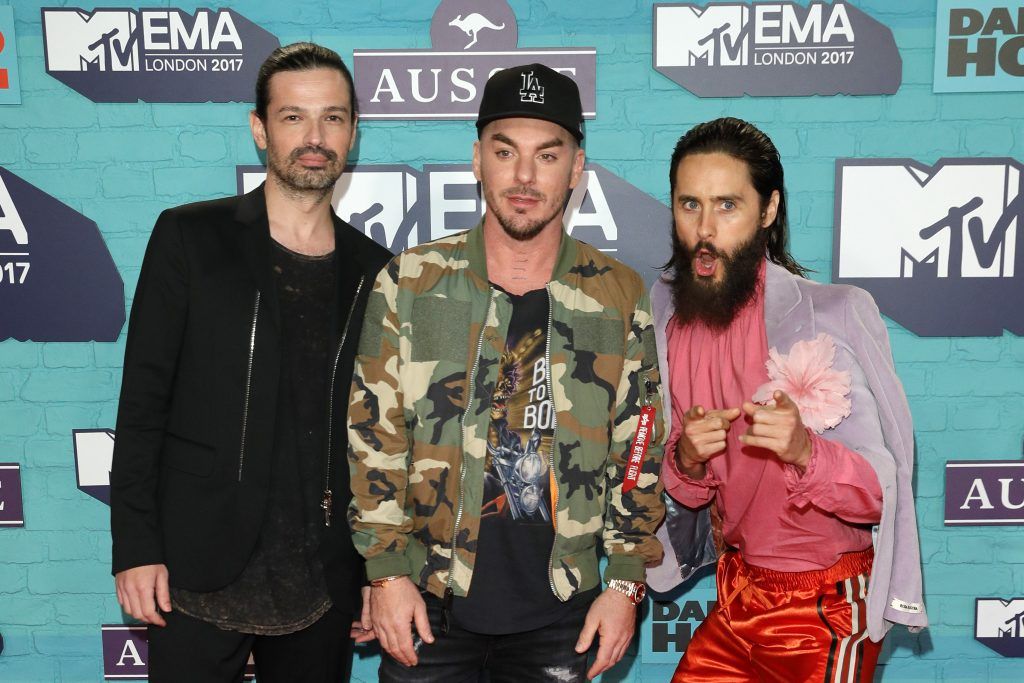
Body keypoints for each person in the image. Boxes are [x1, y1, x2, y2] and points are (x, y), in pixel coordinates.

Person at [347, 63, 666, 682]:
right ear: (477, 159)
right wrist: (385, 573)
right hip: (427, 605)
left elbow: (640, 445)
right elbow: (372, 439)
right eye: (505, 151)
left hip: (564, 615)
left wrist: (625, 583)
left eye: (548, 155)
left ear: (576, 169)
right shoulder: (411, 284)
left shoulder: (618, 296)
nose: (524, 177)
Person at [109, 42, 392, 682]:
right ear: (260, 127)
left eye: (334, 118)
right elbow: (142, 404)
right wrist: (135, 547)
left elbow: (382, 439)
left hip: (322, 578)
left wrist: (381, 570)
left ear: (353, 131)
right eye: (294, 117)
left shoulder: (376, 271)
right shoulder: (191, 239)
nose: (315, 137)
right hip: (194, 568)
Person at [646, 117, 927, 682]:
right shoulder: (669, 315)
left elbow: (881, 490)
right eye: (689, 204)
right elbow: (685, 486)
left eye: (728, 206)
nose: (705, 228)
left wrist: (806, 451)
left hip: (826, 603)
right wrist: (686, 460)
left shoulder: (835, 313)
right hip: (738, 592)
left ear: (769, 210)